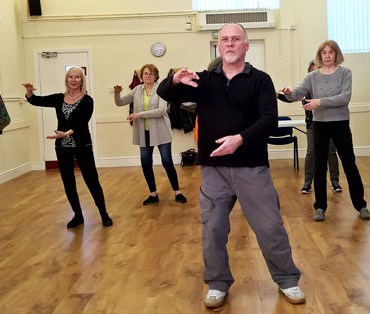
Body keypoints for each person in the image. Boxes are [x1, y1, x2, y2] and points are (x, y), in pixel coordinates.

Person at [157, 23, 304, 308]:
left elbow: (269, 120)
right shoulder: (205, 80)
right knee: (212, 229)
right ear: (219, 46)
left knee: (270, 228)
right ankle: (217, 283)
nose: (230, 43)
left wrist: (240, 139)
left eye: (236, 39)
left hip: (252, 168)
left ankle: (287, 279)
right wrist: (175, 80)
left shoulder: (261, 80)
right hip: (214, 171)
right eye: (224, 39)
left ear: (246, 45)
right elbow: (166, 93)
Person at [280, 40, 370, 222]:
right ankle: (320, 206)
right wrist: (289, 92)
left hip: (341, 124)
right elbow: (297, 93)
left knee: (349, 164)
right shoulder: (313, 76)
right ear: (319, 55)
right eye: (324, 53)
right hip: (320, 125)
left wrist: (319, 102)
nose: (328, 56)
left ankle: (361, 205)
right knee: (320, 167)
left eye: (331, 52)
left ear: (336, 55)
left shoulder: (345, 73)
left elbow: (345, 97)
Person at [22, 68, 113, 228]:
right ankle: (78, 216)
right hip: (63, 147)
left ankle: (104, 214)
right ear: (66, 80)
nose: (73, 79)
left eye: (77, 77)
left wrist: (67, 133)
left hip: (82, 145)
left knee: (91, 180)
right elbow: (36, 100)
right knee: (68, 182)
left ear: (81, 80)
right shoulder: (59, 98)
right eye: (70, 77)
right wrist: (29, 92)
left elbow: (81, 122)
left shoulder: (87, 100)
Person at [114, 64, 187, 205]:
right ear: (141, 76)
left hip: (161, 131)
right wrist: (117, 93)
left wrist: (139, 114)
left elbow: (161, 110)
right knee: (146, 163)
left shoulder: (161, 90)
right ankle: (153, 194)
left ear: (156, 76)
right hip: (144, 133)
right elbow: (120, 102)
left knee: (167, 161)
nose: (148, 76)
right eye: (146, 73)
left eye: (151, 74)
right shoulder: (137, 90)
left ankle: (177, 192)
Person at [279, 60, 341, 194]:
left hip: (329, 123)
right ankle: (307, 183)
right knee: (311, 152)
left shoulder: (328, 87)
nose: (315, 73)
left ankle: (335, 182)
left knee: (331, 152)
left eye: (317, 70)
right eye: (312, 71)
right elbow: (290, 98)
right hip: (312, 125)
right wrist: (277, 95)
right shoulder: (306, 89)